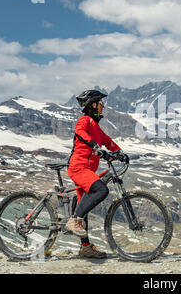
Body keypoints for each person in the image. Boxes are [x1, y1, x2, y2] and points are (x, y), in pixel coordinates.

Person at [66, 89, 125, 259]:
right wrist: (95, 146)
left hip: (87, 169)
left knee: (83, 205)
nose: (103, 107)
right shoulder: (84, 121)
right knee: (101, 190)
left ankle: (85, 247)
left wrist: (120, 152)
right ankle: (74, 220)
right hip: (78, 168)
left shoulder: (96, 127)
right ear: (92, 104)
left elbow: (107, 141)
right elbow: (80, 133)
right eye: (100, 103)